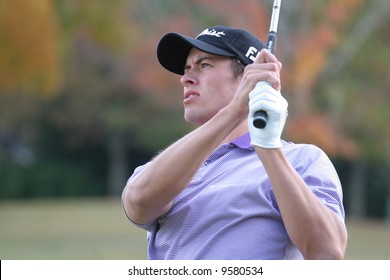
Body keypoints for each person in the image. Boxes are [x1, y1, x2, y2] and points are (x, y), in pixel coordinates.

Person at [121, 25, 347, 260]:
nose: (185, 79)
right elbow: (138, 204)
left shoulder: (301, 160)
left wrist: (268, 149)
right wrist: (234, 111)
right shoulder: (173, 166)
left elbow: (327, 253)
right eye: (187, 69)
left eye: (204, 65)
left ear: (250, 78)